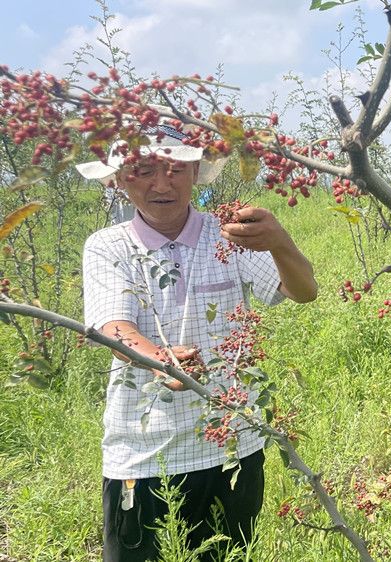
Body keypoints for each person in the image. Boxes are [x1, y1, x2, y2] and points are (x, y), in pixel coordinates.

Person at [77, 124, 318, 561]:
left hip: (233, 445)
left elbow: (302, 291)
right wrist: (159, 359)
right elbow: (112, 325)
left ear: (196, 171)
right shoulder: (108, 246)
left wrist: (280, 241)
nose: (162, 184)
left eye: (175, 169)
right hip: (147, 455)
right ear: (117, 180)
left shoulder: (229, 235)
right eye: (144, 170)